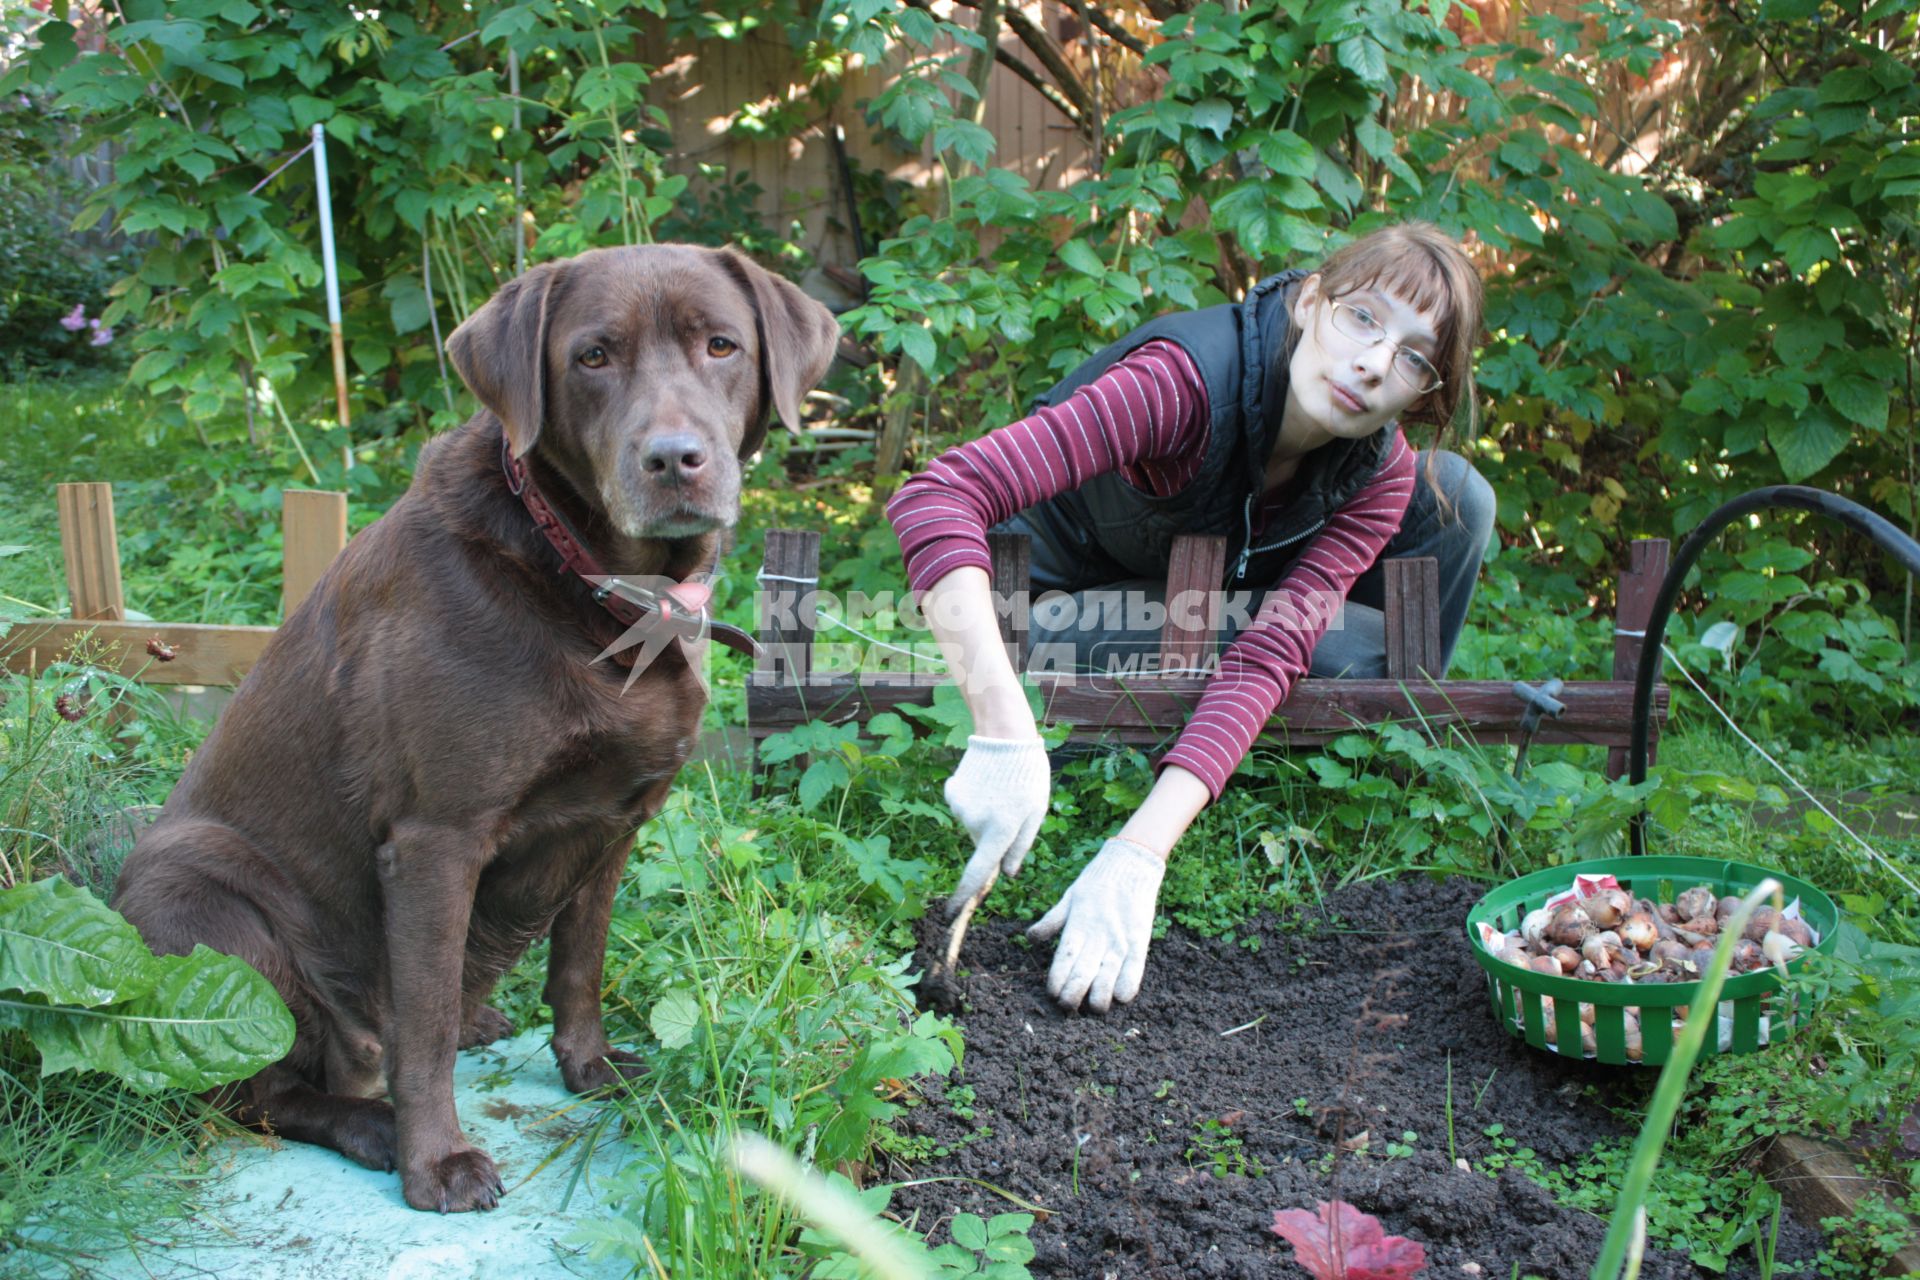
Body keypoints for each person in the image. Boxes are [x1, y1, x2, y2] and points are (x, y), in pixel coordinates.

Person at [886, 220, 1492, 1014]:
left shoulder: (1376, 470)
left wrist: (1138, 852)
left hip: (1197, 596)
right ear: (1312, 301)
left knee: (1351, 627)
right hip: (1053, 607)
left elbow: (1272, 649)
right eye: (1364, 318)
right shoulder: (1184, 384)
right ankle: (1081, 733)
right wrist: (1003, 727)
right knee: (1348, 651)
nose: (1375, 364)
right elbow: (935, 495)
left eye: (1414, 357)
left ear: (1424, 390)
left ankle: (1336, 770)